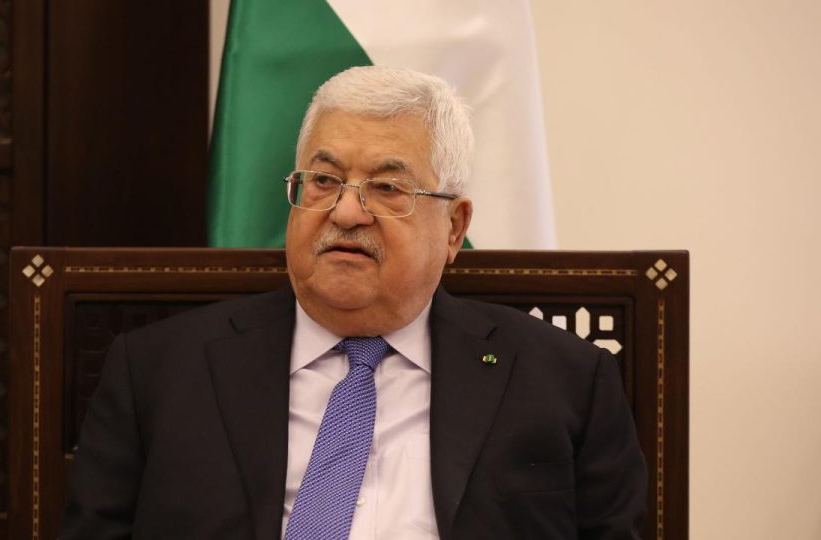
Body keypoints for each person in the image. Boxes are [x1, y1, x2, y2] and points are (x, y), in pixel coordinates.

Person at [60, 66, 646, 539]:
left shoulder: (567, 382)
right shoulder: (156, 372)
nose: (345, 212)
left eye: (387, 188)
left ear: (453, 228)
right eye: (323, 181)